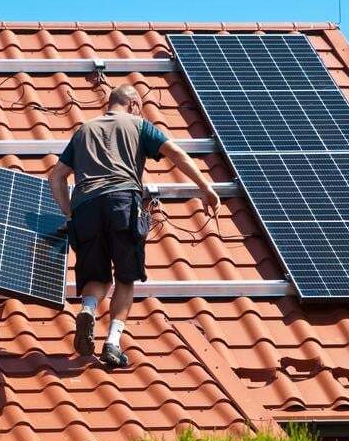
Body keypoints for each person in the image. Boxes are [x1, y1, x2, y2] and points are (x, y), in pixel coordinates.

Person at [48, 84, 220, 368]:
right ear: (132, 104)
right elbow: (175, 153)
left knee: (97, 275)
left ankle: (88, 309)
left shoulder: (83, 131)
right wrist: (205, 187)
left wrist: (70, 215)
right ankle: (113, 344)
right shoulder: (139, 125)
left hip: (86, 207)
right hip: (122, 203)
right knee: (125, 277)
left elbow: (57, 178)